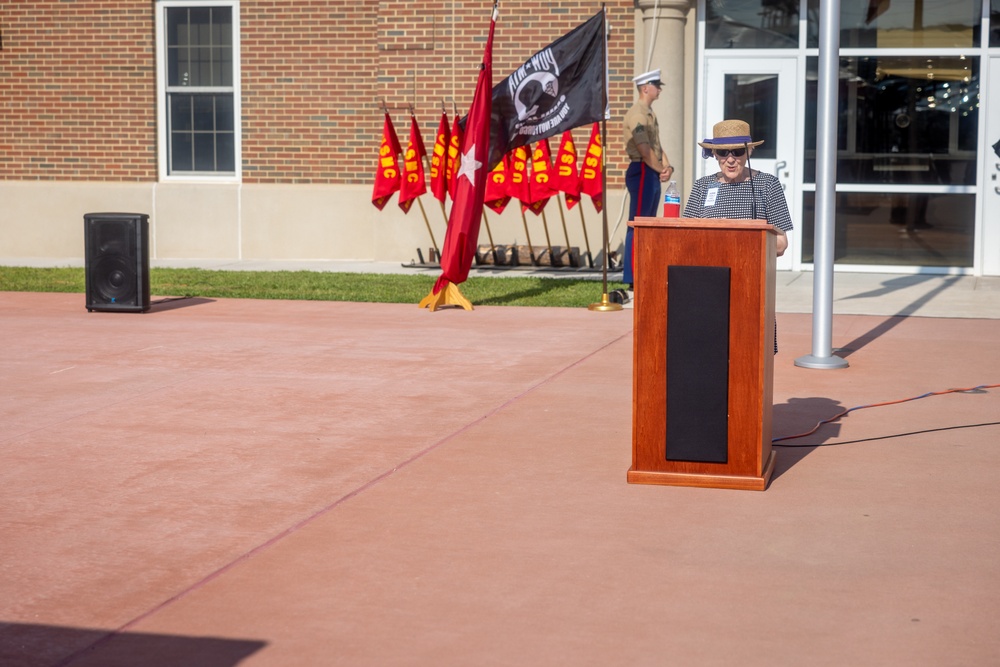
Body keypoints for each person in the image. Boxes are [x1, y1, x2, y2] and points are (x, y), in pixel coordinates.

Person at [684, 119, 793, 351]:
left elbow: (782, 243)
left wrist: (741, 240)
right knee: (709, 355)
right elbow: (686, 239)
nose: (731, 159)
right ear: (713, 154)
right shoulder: (702, 186)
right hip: (709, 286)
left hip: (751, 286)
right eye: (723, 153)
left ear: (749, 151)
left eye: (738, 151)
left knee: (751, 354)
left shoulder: (768, 185)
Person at [622, 69, 674, 293]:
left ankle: (644, 271)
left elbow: (656, 145)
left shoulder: (649, 113)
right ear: (645, 88)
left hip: (650, 170)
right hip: (642, 170)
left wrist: (667, 167)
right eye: (656, 85)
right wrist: (661, 168)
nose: (659, 89)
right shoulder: (637, 114)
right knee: (639, 224)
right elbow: (644, 149)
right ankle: (633, 275)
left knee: (648, 224)